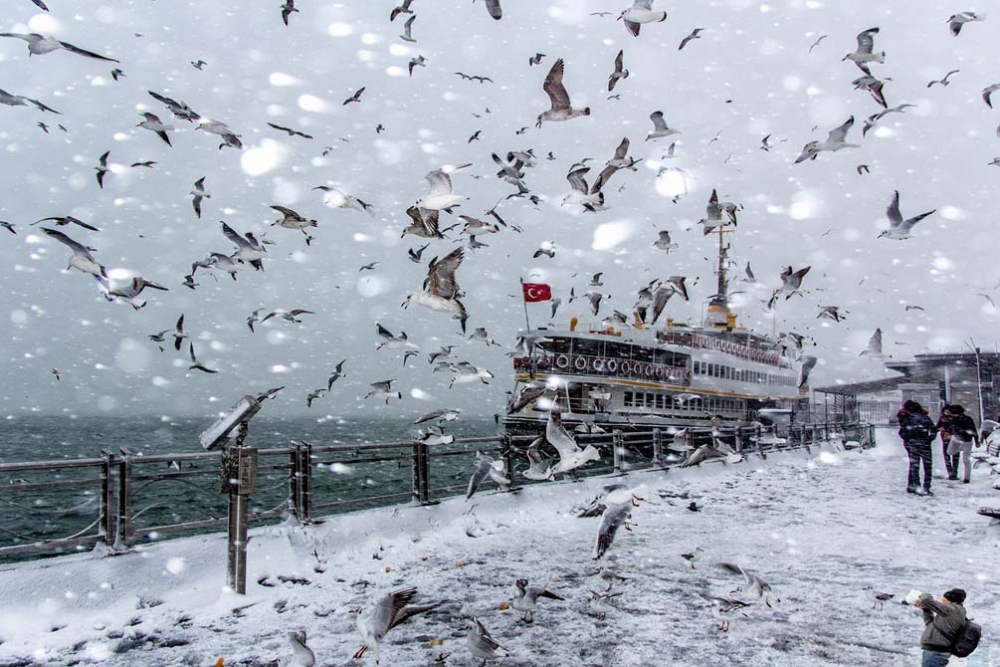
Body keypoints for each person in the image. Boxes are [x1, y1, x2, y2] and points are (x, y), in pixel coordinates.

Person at [916, 589, 967, 667]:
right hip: (934, 651)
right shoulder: (950, 611)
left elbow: (925, 599)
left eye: (943, 598)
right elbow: (931, 625)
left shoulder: (953, 610)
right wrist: (926, 610)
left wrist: (922, 594)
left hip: (937, 652)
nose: (941, 600)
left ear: (949, 600)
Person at [897, 400, 937, 495]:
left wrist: (908, 439)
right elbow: (933, 430)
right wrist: (929, 439)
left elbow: (902, 432)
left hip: (913, 444)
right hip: (925, 444)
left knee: (914, 465)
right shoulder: (925, 418)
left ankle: (916, 485)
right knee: (927, 466)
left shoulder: (908, 419)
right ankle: (926, 486)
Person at [947, 405, 980, 484]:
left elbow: (973, 430)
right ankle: (960, 448)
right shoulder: (953, 419)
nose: (951, 415)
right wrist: (950, 433)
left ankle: (967, 478)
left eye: (953, 413)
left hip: (966, 440)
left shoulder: (967, 419)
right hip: (956, 438)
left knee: (966, 460)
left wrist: (976, 441)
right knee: (949, 452)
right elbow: (951, 428)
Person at [936, 406, 960, 481]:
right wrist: (940, 429)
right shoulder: (943, 418)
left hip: (954, 439)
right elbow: (937, 428)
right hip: (946, 439)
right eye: (945, 411)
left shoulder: (955, 418)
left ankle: (954, 473)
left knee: (954, 456)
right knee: (948, 456)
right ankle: (951, 473)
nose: (947, 412)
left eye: (948, 411)